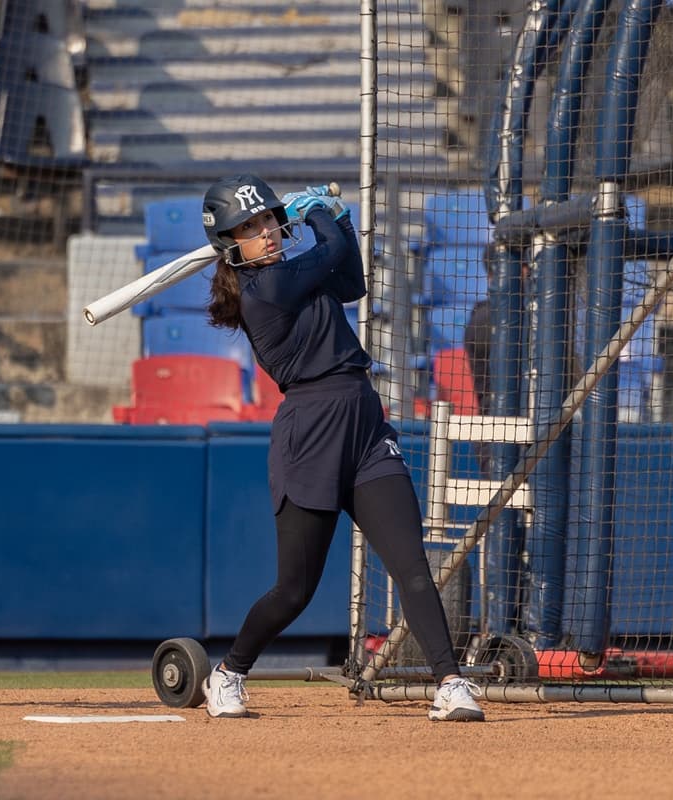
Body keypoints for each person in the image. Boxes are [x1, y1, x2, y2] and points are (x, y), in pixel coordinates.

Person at [199, 175, 484, 722]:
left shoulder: (296, 274)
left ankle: (450, 682)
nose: (267, 232)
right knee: (293, 591)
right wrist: (321, 219)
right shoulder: (264, 292)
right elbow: (327, 253)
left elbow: (350, 279)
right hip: (310, 432)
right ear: (230, 242)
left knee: (412, 566)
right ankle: (229, 672)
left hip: (364, 422)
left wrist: (341, 220)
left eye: (268, 220)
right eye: (251, 227)